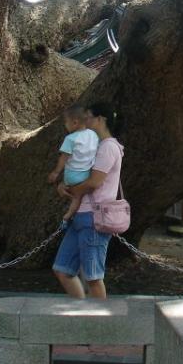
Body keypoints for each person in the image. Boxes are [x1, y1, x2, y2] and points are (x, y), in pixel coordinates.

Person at [52, 102, 124, 300]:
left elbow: (94, 182)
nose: (86, 121)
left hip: (94, 218)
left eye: (89, 117)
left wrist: (70, 189)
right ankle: (83, 312)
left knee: (92, 276)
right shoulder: (97, 145)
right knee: (63, 269)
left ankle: (99, 324)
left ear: (100, 119)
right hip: (81, 216)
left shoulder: (109, 147)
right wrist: (64, 185)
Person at [47, 102, 100, 224]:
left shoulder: (70, 139)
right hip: (87, 174)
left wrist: (55, 173)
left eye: (66, 122)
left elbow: (63, 158)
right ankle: (71, 212)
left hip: (72, 175)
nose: (65, 125)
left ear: (75, 122)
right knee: (79, 197)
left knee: (72, 194)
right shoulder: (93, 135)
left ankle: (69, 211)